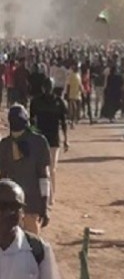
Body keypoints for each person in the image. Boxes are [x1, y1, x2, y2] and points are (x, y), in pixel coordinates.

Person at [0, 105, 51, 234]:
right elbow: (44, 176)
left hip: (9, 206)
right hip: (32, 202)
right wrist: (45, 206)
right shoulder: (39, 142)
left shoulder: (5, 144)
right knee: (32, 245)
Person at [29, 78, 68, 206]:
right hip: (40, 139)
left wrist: (66, 139)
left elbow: (64, 123)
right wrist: (33, 134)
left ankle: (51, 196)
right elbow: (32, 121)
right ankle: (43, 194)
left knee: (51, 169)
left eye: (49, 86)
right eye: (46, 87)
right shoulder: (36, 102)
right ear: (43, 88)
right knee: (40, 168)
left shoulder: (59, 102)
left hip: (53, 140)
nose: (47, 89)